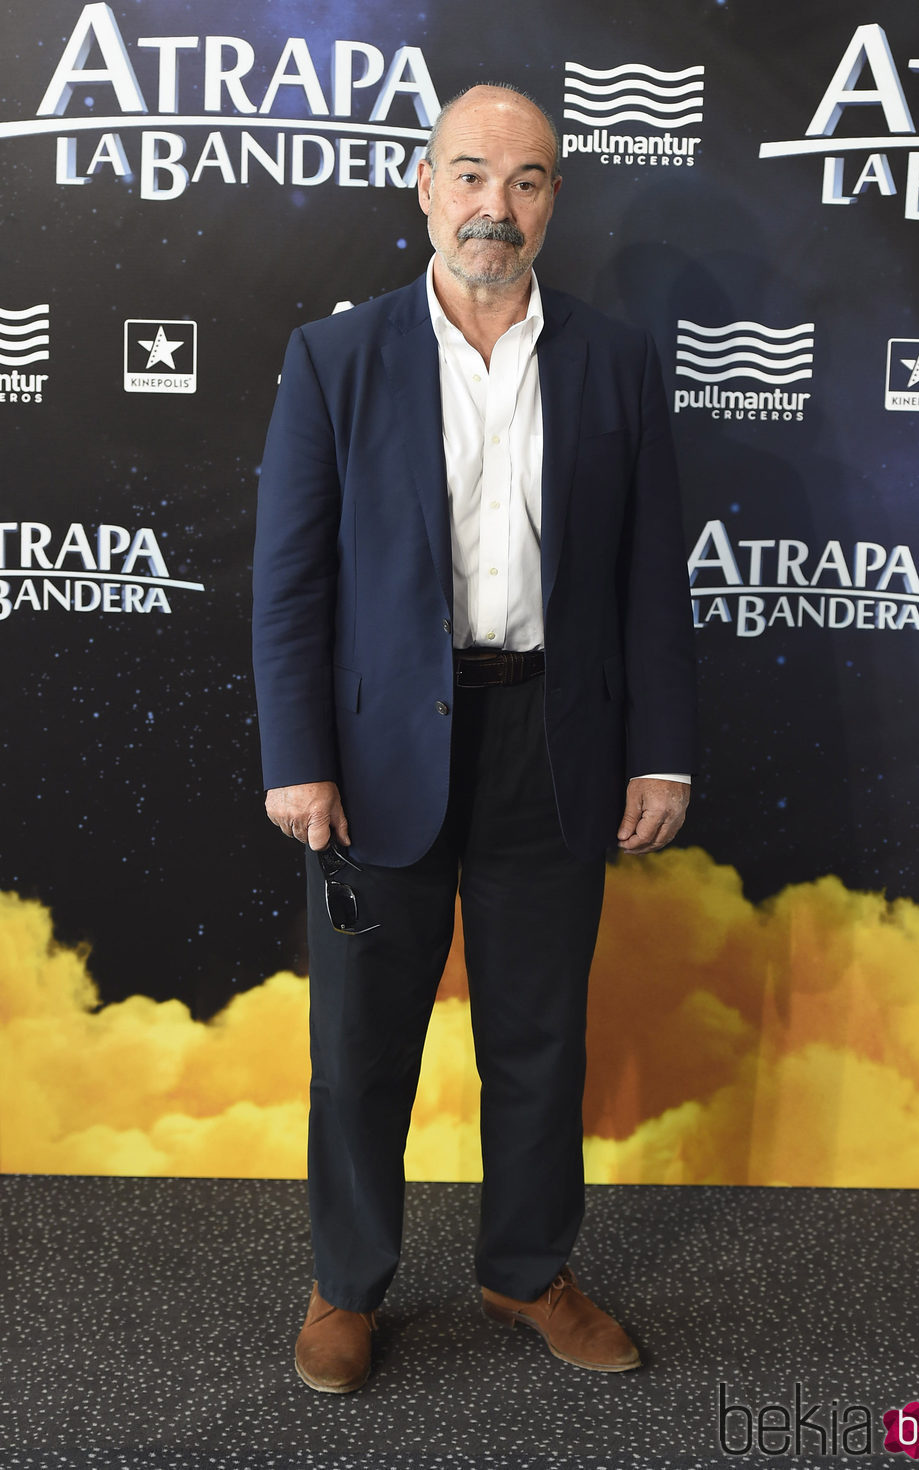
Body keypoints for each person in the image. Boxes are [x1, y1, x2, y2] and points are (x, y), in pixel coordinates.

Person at [252, 82, 697, 1393]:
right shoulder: (338, 357)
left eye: (526, 182)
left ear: (554, 201)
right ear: (425, 187)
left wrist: (660, 750)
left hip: (556, 745)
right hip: (380, 751)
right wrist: (296, 755)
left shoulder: (616, 362)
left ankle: (526, 1263)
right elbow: (289, 582)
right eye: (470, 176)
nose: (494, 207)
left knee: (540, 1036)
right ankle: (346, 1285)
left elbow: (649, 582)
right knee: (359, 1045)